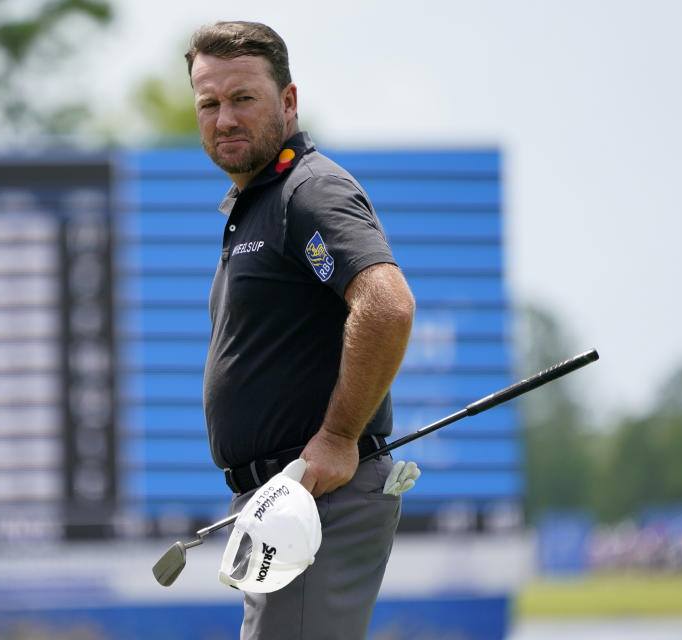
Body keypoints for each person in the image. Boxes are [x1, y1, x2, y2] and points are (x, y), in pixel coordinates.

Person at [185, 21, 416, 640]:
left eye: (243, 98)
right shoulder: (259, 202)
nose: (224, 118)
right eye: (209, 103)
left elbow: (386, 306)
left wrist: (339, 436)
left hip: (320, 498)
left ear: (288, 101)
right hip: (284, 505)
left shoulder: (307, 192)